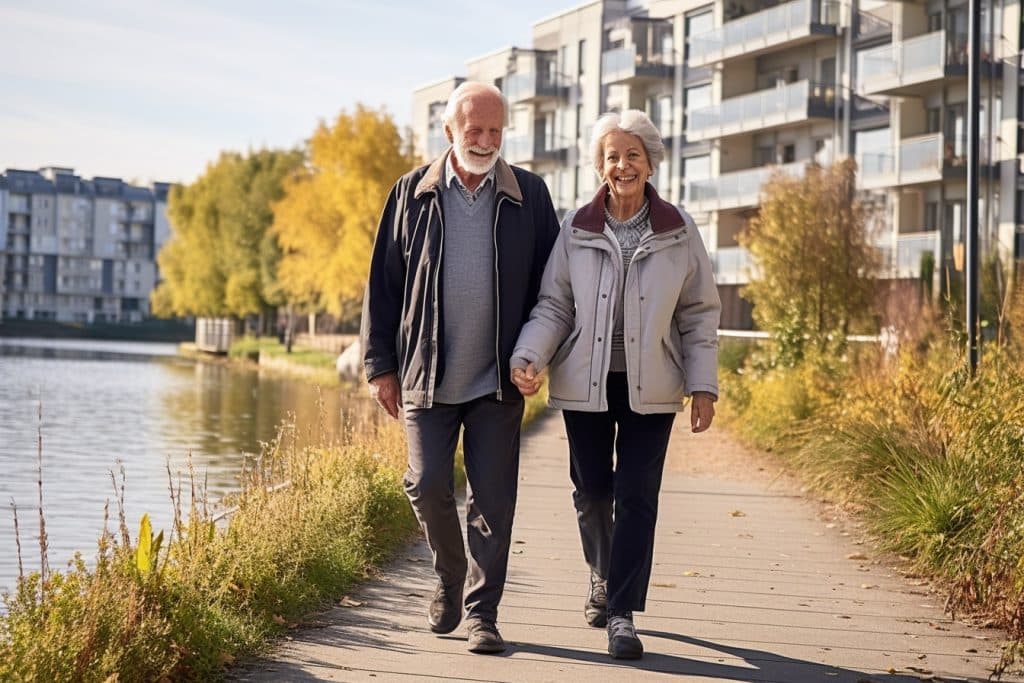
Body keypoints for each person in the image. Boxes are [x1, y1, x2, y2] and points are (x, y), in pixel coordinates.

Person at [509, 109, 720, 660]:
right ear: (598, 166)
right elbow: (555, 304)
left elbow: (699, 313)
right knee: (593, 491)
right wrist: (530, 354)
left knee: (637, 495)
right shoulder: (577, 228)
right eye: (611, 156)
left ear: (650, 163)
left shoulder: (678, 230)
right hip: (587, 380)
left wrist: (704, 385)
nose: (621, 165)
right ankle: (601, 576)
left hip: (653, 382)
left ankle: (622, 610)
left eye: (632, 155)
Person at [361, 81, 560, 654]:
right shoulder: (411, 192)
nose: (485, 140)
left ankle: (482, 614)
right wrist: (381, 365)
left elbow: (553, 291)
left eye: (495, 131)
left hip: (499, 379)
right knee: (425, 485)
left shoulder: (530, 194)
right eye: (474, 130)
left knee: (493, 501)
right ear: (448, 130)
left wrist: (538, 355)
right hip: (426, 372)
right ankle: (450, 573)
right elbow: (382, 285)